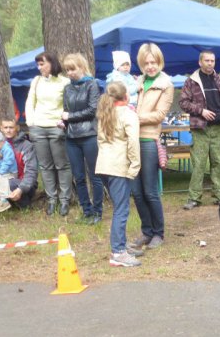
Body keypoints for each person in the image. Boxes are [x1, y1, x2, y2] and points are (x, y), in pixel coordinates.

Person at [129, 43, 174, 251]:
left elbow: (159, 115)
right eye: (146, 63)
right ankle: (146, 231)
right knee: (137, 192)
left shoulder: (166, 85)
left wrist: (134, 118)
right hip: (132, 140)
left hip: (149, 140)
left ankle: (158, 233)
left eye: (153, 62)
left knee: (150, 191)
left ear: (160, 62)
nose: (150, 66)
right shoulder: (136, 83)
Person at [179, 50, 220, 209]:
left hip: (218, 128)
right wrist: (201, 111)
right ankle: (194, 198)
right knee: (198, 163)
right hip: (200, 129)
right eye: (207, 60)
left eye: (212, 60)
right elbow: (183, 102)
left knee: (218, 162)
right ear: (200, 62)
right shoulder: (191, 82)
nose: (210, 63)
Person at [95, 81, 142, 267]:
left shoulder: (105, 113)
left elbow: (100, 141)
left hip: (103, 165)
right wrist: (135, 165)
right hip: (118, 167)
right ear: (126, 96)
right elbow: (133, 142)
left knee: (118, 207)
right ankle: (118, 252)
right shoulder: (128, 114)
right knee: (121, 209)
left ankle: (121, 244)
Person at [25, 51, 71, 216]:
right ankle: (51, 199)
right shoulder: (36, 81)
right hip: (38, 127)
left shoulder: (65, 82)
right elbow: (30, 102)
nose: (39, 67)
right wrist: (31, 123)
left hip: (56, 127)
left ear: (52, 63)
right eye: (38, 65)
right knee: (45, 166)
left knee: (62, 165)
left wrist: (63, 123)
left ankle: (65, 200)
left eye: (42, 64)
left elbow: (68, 105)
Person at [62, 53, 103, 224]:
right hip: (71, 137)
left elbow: (92, 110)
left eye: (72, 69)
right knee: (78, 177)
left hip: (89, 135)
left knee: (95, 176)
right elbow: (65, 110)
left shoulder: (92, 84)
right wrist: (63, 122)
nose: (70, 73)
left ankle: (97, 211)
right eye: (67, 70)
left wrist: (69, 117)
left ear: (81, 67)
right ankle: (86, 210)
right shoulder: (67, 88)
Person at [0, 119, 38, 209]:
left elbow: (31, 171)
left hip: (22, 183)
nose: (8, 130)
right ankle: (2, 203)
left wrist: (21, 189)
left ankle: (23, 204)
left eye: (11, 127)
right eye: (5, 127)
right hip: (1, 178)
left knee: (6, 183)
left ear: (17, 128)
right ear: (1, 128)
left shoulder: (26, 146)